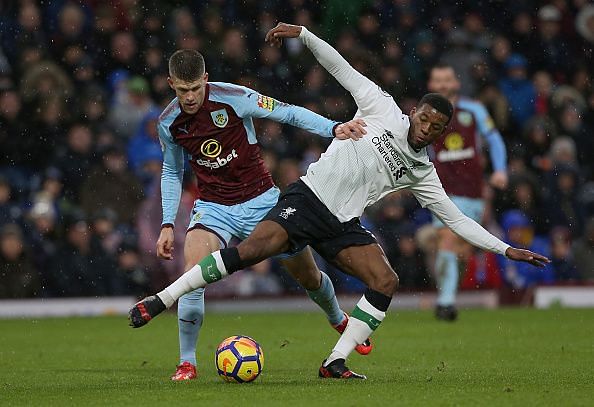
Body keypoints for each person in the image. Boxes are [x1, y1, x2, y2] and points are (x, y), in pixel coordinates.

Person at [130, 24, 549, 380]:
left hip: (339, 223)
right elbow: (341, 68)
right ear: (414, 111)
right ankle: (163, 307)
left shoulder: (423, 173)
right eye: (424, 118)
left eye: (435, 127)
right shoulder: (382, 108)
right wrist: (306, 35)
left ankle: (335, 360)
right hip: (306, 200)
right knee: (248, 253)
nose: (426, 128)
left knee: (381, 281)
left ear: (440, 134)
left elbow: (457, 219)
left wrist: (505, 248)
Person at [137, 49, 371, 381]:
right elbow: (172, 172)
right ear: (171, 84)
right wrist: (166, 223)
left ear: (205, 80)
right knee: (193, 277)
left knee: (307, 276)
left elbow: (287, 113)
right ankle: (187, 362)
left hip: (262, 200)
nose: (189, 97)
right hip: (214, 207)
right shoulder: (168, 122)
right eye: (182, 90)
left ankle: (336, 318)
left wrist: (333, 128)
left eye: (195, 89)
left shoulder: (235, 97)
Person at [426, 63, 508, 321]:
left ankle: (447, 296)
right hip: (439, 190)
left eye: (446, 80)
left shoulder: (473, 110)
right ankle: (446, 303)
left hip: (471, 191)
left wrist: (500, 170)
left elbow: (493, 139)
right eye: (437, 81)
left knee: (458, 248)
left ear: (456, 84)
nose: (442, 85)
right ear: (431, 86)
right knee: (446, 241)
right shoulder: (425, 115)